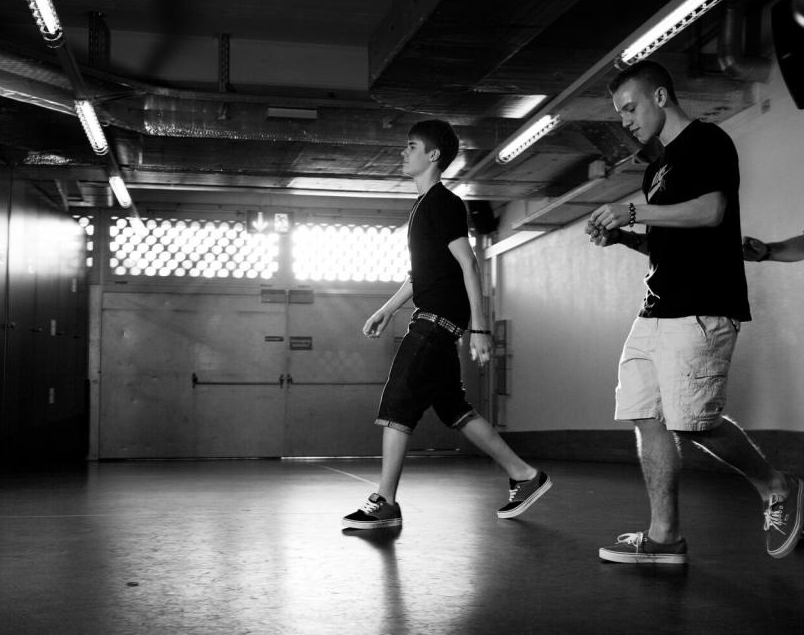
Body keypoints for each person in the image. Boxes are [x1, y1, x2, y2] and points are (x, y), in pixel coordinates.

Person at [585, 60, 802, 563]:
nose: (625, 121)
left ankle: (777, 485)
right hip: (655, 308)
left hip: (703, 307)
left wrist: (631, 211)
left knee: (692, 424)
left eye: (630, 107)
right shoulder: (657, 169)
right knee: (646, 415)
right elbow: (669, 244)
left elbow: (711, 212)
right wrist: (622, 237)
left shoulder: (708, 141)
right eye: (619, 113)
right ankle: (664, 538)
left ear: (660, 97)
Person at [341, 119, 551, 530]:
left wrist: (481, 327)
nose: (403, 152)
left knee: (398, 402)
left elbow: (469, 263)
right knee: (455, 409)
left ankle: (385, 502)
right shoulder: (423, 207)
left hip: (435, 326)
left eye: (411, 145)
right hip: (431, 319)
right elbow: (421, 274)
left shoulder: (443, 203)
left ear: (433, 155)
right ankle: (526, 475)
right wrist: (387, 309)